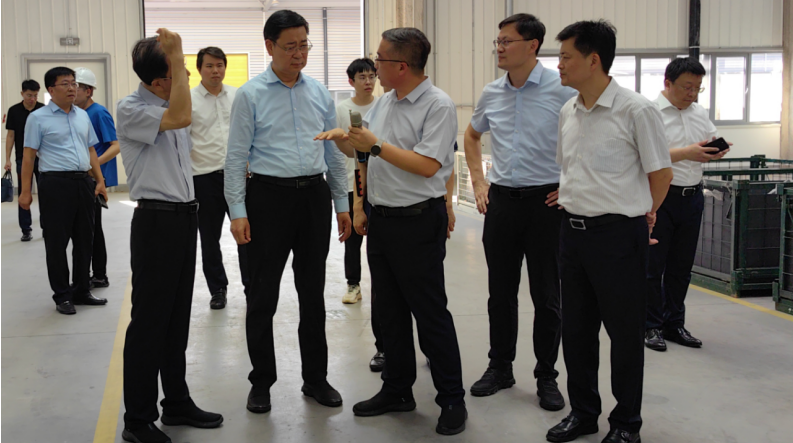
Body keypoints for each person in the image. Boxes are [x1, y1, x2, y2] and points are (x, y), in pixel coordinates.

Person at [318, 27, 467, 436]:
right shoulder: (385, 103)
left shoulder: (437, 106)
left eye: (380, 60)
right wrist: (358, 195)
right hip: (381, 220)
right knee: (390, 312)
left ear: (401, 66)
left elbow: (428, 166)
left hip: (418, 221)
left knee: (429, 312)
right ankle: (398, 389)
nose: (374, 66)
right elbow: (365, 154)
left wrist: (375, 144)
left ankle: (451, 398)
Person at [546, 21, 673, 443]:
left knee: (623, 334)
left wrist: (645, 214)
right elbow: (570, 169)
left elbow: (661, 173)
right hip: (572, 233)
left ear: (593, 60)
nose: (559, 65)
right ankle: (583, 413)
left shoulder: (636, 110)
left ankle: (625, 425)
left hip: (618, 236)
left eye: (566, 57)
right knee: (577, 331)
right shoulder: (568, 110)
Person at [225, 10, 351, 415]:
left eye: (304, 45)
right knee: (263, 295)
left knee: (313, 293)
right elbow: (235, 158)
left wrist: (342, 203)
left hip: (313, 198)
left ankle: (316, 378)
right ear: (270, 47)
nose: (299, 54)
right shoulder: (250, 95)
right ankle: (261, 381)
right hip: (267, 200)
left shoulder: (320, 93)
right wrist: (238, 211)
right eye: (291, 46)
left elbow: (333, 153)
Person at [464, 13, 576, 411]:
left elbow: (586, 138)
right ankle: (500, 367)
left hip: (547, 204)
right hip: (502, 202)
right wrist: (479, 182)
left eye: (506, 41)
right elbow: (472, 135)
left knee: (546, 295)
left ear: (532, 46)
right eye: (497, 41)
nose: (499, 48)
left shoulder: (562, 90)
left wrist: (571, 185)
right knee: (500, 292)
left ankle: (547, 375)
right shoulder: (491, 92)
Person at [117, 29, 223, 443]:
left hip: (183, 220)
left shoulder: (169, 102)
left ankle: (176, 402)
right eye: (180, 73)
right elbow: (181, 118)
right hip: (156, 223)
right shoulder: (133, 108)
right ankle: (137, 420)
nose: (187, 79)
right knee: (149, 323)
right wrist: (177, 57)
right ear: (160, 80)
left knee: (176, 320)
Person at [645, 57, 729, 352]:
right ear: (667, 83)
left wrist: (713, 150)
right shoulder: (650, 113)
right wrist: (687, 153)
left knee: (681, 267)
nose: (692, 94)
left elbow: (705, 142)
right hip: (660, 196)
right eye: (687, 87)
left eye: (697, 88)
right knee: (653, 266)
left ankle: (674, 324)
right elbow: (644, 154)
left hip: (692, 197)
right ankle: (651, 325)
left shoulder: (699, 113)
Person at [20, 68, 109, 315]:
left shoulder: (83, 116)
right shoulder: (37, 118)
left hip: (84, 183)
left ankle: (81, 290)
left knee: (85, 239)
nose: (72, 88)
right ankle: (62, 295)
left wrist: (99, 181)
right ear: (51, 90)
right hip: (55, 184)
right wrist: (25, 192)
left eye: (74, 83)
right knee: (57, 242)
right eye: (65, 84)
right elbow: (28, 157)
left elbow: (91, 150)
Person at [333, 57, 386, 372]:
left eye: (371, 76)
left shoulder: (383, 106)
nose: (368, 81)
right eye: (362, 77)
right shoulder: (343, 108)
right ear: (351, 81)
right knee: (351, 236)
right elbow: (349, 151)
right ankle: (353, 283)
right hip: (351, 180)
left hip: (377, 183)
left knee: (378, 245)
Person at [189, 46, 249, 309]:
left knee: (247, 233)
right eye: (209, 66)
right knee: (209, 238)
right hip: (204, 178)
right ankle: (218, 289)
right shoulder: (188, 100)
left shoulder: (238, 95)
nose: (215, 70)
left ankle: (251, 286)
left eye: (219, 65)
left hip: (239, 176)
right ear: (199, 69)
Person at [73, 67, 119, 289]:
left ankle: (100, 274)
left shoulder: (99, 113)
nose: (72, 91)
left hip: (93, 179)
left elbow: (116, 145)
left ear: (88, 91)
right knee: (85, 228)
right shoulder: (76, 114)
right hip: (81, 178)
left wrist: (95, 165)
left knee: (93, 228)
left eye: (76, 88)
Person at [5, 80, 44, 242]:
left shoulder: (43, 110)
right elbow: (10, 136)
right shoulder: (14, 111)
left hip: (42, 159)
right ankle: (26, 229)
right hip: (22, 159)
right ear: (22, 94)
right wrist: (7, 159)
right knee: (24, 192)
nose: (32, 99)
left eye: (35, 95)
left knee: (46, 193)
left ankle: (47, 226)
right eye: (29, 95)